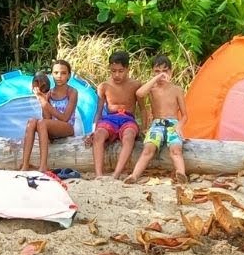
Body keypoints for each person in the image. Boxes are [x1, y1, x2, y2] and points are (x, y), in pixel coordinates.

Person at [124, 55, 188, 184]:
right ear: (153, 72)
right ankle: (134, 176)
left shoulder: (177, 90)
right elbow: (139, 94)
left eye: (164, 71)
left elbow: (185, 115)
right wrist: (156, 79)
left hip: (172, 124)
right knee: (148, 148)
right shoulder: (152, 89)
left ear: (170, 72)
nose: (161, 75)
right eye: (157, 71)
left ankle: (181, 174)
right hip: (157, 123)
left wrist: (180, 125)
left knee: (176, 149)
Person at [85, 50, 143, 179]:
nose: (117, 75)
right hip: (110, 119)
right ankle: (99, 174)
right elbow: (99, 110)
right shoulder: (104, 86)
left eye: (120, 71)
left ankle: (116, 174)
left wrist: (145, 128)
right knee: (99, 135)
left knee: (129, 136)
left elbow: (143, 109)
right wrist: (93, 130)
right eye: (113, 71)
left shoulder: (136, 85)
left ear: (128, 69)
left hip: (128, 119)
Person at [18, 60, 78, 173]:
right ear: (51, 75)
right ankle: (25, 165)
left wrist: (45, 103)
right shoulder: (49, 93)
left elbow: (65, 118)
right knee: (32, 121)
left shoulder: (72, 92)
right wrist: (43, 99)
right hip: (51, 128)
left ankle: (43, 166)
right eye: (56, 73)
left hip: (67, 127)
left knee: (41, 123)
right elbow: (47, 118)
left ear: (69, 75)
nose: (59, 76)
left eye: (63, 73)